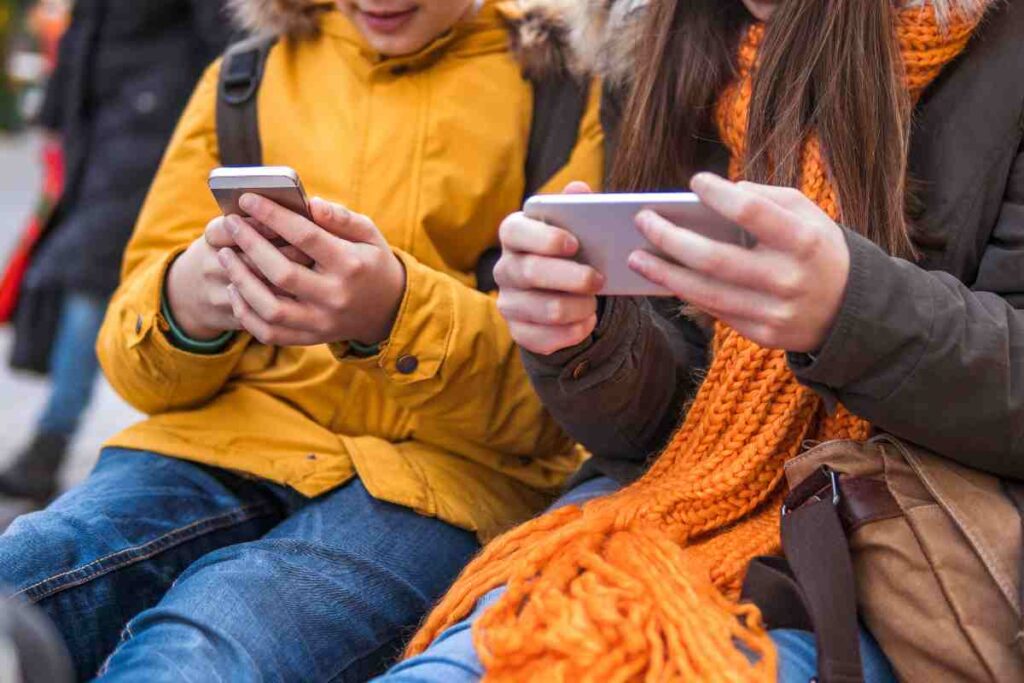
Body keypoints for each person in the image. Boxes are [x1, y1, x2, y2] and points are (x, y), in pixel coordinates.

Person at [383, 0, 1024, 680]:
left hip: (900, 549)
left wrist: (851, 310)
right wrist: (583, 340)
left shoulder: (1002, 45)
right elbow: (653, 424)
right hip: (663, 505)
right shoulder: (657, 39)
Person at [0, 0, 604, 679]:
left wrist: (394, 314)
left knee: (202, 654)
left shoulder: (566, 89)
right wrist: (183, 303)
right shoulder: (245, 75)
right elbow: (133, 365)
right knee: (27, 569)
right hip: (215, 445)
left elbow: (564, 404)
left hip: (444, 481)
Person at [0, 0, 229, 510]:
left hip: (152, 138)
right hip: (100, 135)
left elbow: (222, 39)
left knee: (89, 283)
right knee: (81, 278)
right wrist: (57, 115)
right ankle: (57, 440)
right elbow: (85, 31)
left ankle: (51, 442)